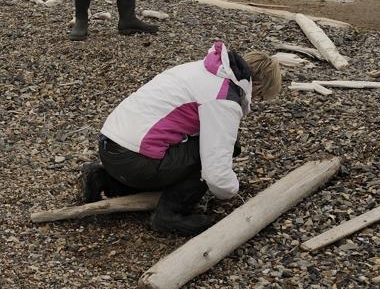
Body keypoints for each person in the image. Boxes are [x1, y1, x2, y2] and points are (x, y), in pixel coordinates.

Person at [79, 42, 282, 236]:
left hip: (110, 148)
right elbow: (215, 170)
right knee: (220, 150)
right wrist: (232, 191)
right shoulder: (223, 98)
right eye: (260, 97)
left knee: (185, 147)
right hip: (135, 161)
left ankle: (105, 179)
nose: (256, 101)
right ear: (257, 86)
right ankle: (171, 213)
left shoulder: (203, 69)